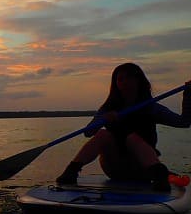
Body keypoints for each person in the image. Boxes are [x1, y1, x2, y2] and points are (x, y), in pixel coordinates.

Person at [56, 63, 190, 191]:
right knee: (103, 134)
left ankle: (159, 174)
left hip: (142, 168)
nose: (125, 82)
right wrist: (104, 119)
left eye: (130, 78)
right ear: (116, 84)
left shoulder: (152, 108)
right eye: (120, 79)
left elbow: (183, 123)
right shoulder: (108, 108)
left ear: (139, 81)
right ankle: (71, 172)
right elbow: (88, 132)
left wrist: (188, 95)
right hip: (114, 167)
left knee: (132, 138)